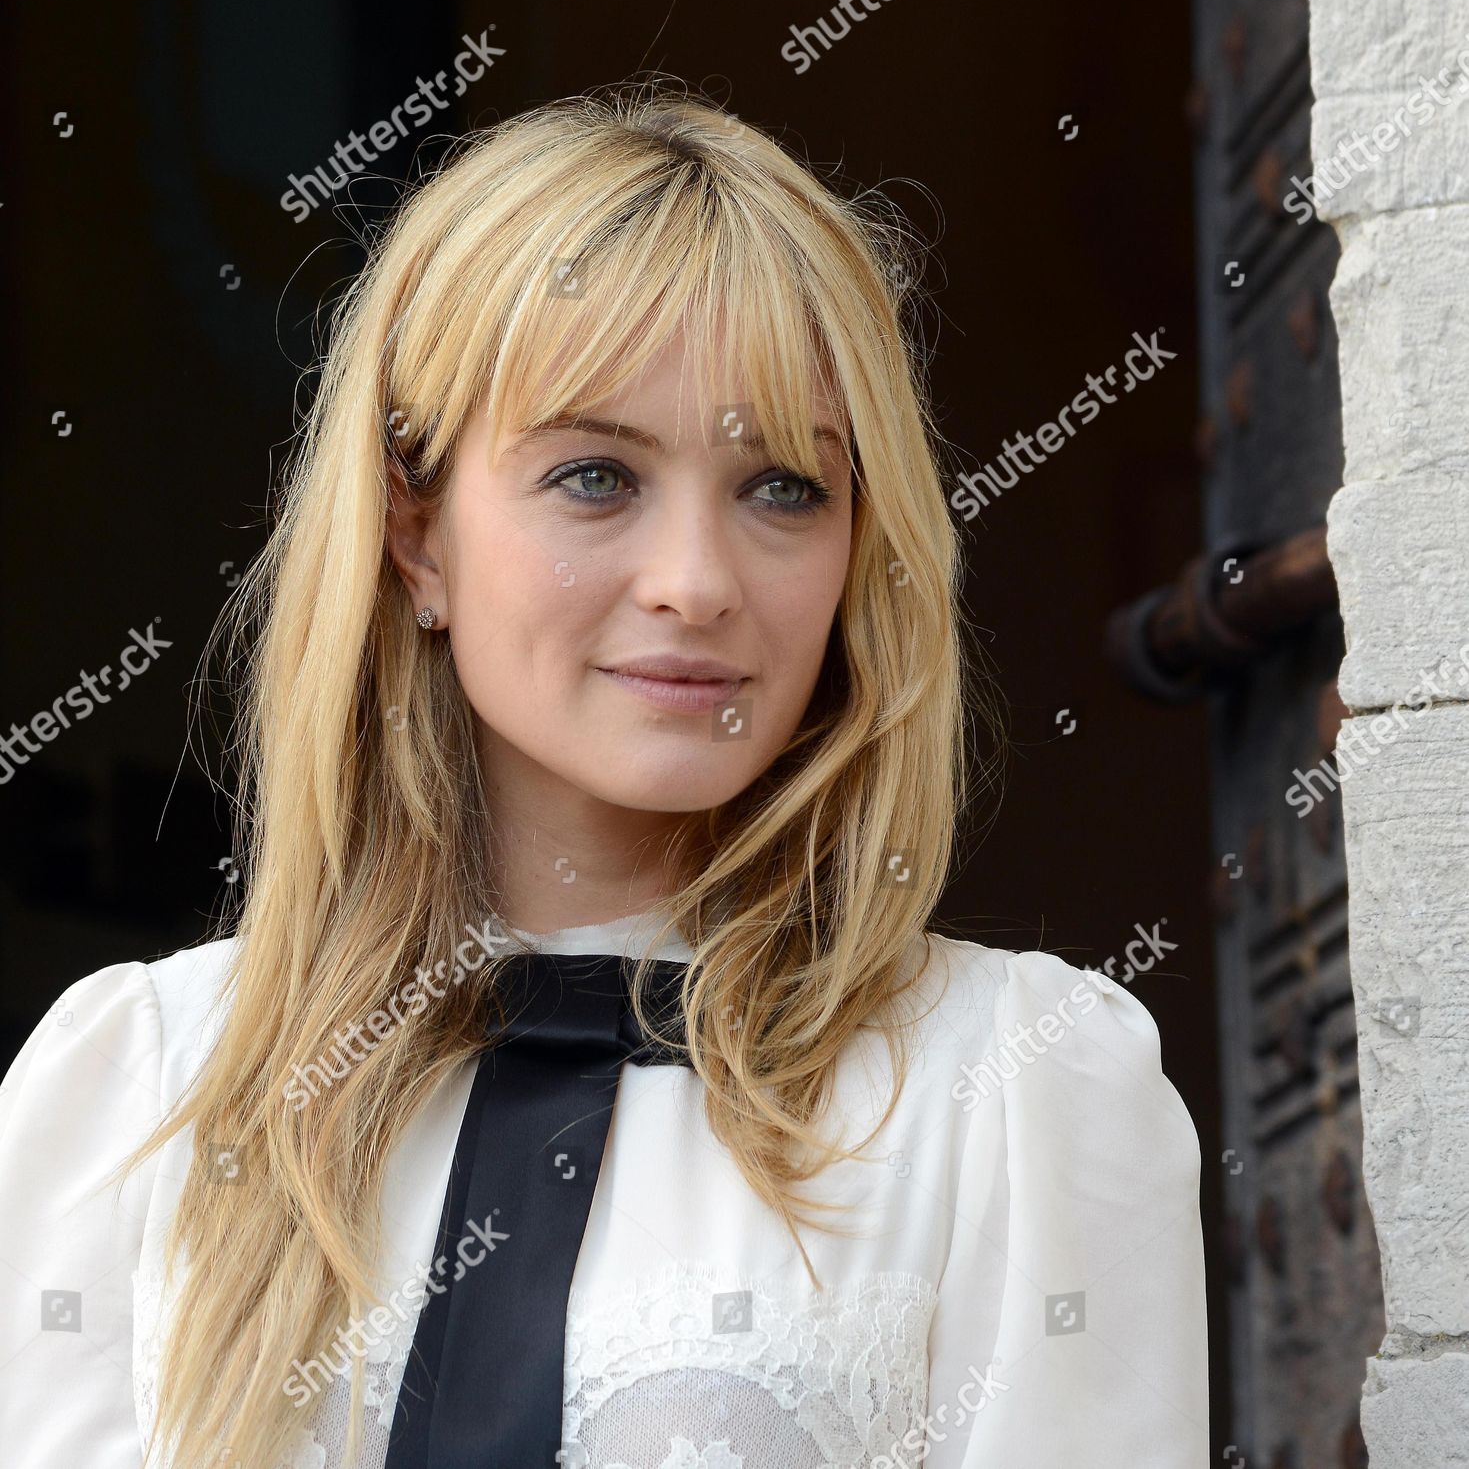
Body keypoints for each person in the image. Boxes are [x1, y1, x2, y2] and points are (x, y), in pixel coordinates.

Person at [0, 81, 1208, 1468]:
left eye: (783, 487)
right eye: (594, 477)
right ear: (416, 533)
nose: (695, 584)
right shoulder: (140, 1090)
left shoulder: (1011, 1088)